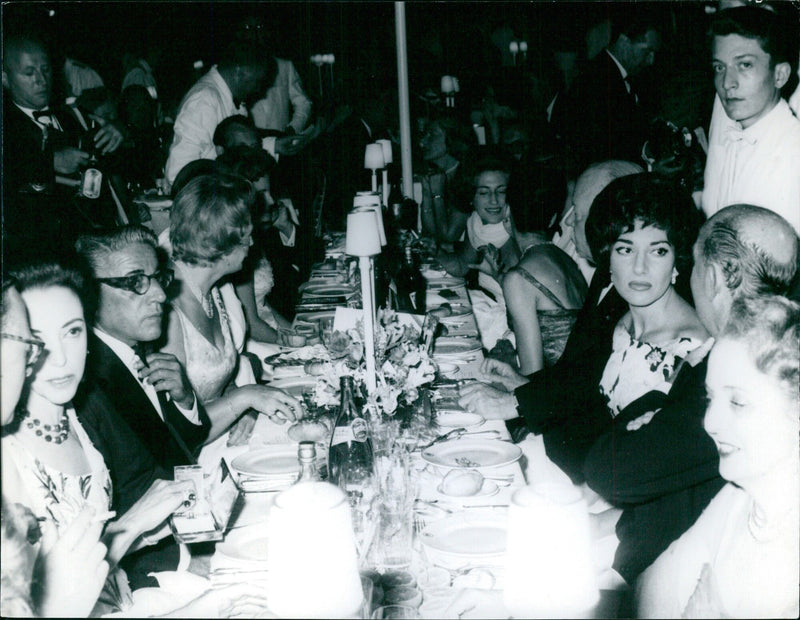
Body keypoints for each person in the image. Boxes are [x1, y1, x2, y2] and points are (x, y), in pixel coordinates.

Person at [580, 204, 799, 586]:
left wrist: (653, 407)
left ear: (711, 277)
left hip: (674, 572)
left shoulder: (738, 371)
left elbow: (608, 471)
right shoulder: (761, 349)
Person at [460, 173, 705, 480]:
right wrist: (522, 388)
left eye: (658, 251)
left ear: (677, 258)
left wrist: (516, 406)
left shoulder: (690, 349)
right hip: (582, 467)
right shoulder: (626, 321)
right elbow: (590, 392)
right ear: (608, 255)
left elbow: (655, 468)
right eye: (626, 249)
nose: (639, 268)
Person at [2, 261, 194, 613]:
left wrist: (148, 525)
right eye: (38, 340)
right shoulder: (8, 456)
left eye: (72, 332)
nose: (59, 359)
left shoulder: (80, 415)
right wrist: (132, 524)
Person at [637, 295, 799, 618]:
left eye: (738, 403)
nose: (710, 423)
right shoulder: (738, 498)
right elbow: (648, 594)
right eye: (710, 398)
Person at [163, 174, 302, 449]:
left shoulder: (214, 291)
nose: (251, 244)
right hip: (190, 459)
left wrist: (245, 409)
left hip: (223, 439)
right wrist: (245, 398)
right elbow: (174, 434)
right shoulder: (166, 310)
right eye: (246, 235)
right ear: (221, 243)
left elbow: (219, 382)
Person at [2, 34, 124, 257]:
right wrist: (49, 161)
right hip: (37, 253)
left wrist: (116, 134)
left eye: (45, 70)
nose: (41, 80)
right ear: (5, 79)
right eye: (29, 73)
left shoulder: (72, 116)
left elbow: (111, 167)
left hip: (92, 244)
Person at [701, 6, 800, 234]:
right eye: (719, 67)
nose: (727, 83)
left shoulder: (793, 153)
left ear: (780, 75)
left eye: (744, 65)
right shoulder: (732, 138)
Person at [165, 39, 301, 187]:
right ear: (238, 71)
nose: (259, 90)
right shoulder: (204, 99)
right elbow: (178, 173)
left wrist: (273, 145)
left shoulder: (227, 97)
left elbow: (230, 150)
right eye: (257, 82)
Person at [552, 7, 662, 176]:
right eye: (647, 51)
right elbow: (604, 145)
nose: (651, 60)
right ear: (624, 42)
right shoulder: (596, 81)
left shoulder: (615, 77)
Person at [501, 163, 587, 375]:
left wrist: (506, 360)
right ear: (552, 219)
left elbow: (532, 374)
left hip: (556, 394)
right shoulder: (566, 260)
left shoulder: (519, 278)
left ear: (507, 212)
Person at [419, 114, 477, 245]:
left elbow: (449, 236)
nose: (422, 142)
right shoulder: (438, 176)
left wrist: (437, 194)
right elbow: (430, 233)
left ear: (453, 138)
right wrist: (428, 194)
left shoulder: (468, 177)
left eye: (432, 134)